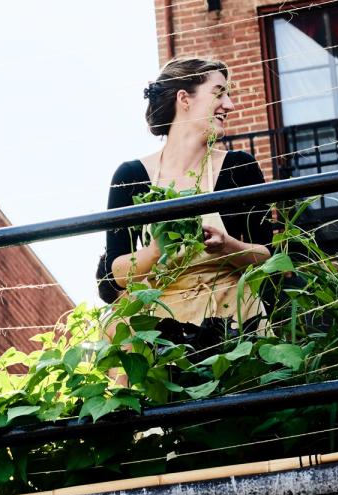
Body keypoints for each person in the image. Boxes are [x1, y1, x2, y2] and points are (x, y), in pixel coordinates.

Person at [96, 57, 274, 346]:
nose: (229, 105)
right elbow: (114, 275)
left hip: (236, 323)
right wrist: (156, 251)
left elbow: (267, 256)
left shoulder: (240, 167)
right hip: (163, 331)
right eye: (219, 93)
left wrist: (227, 246)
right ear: (184, 99)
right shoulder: (131, 176)